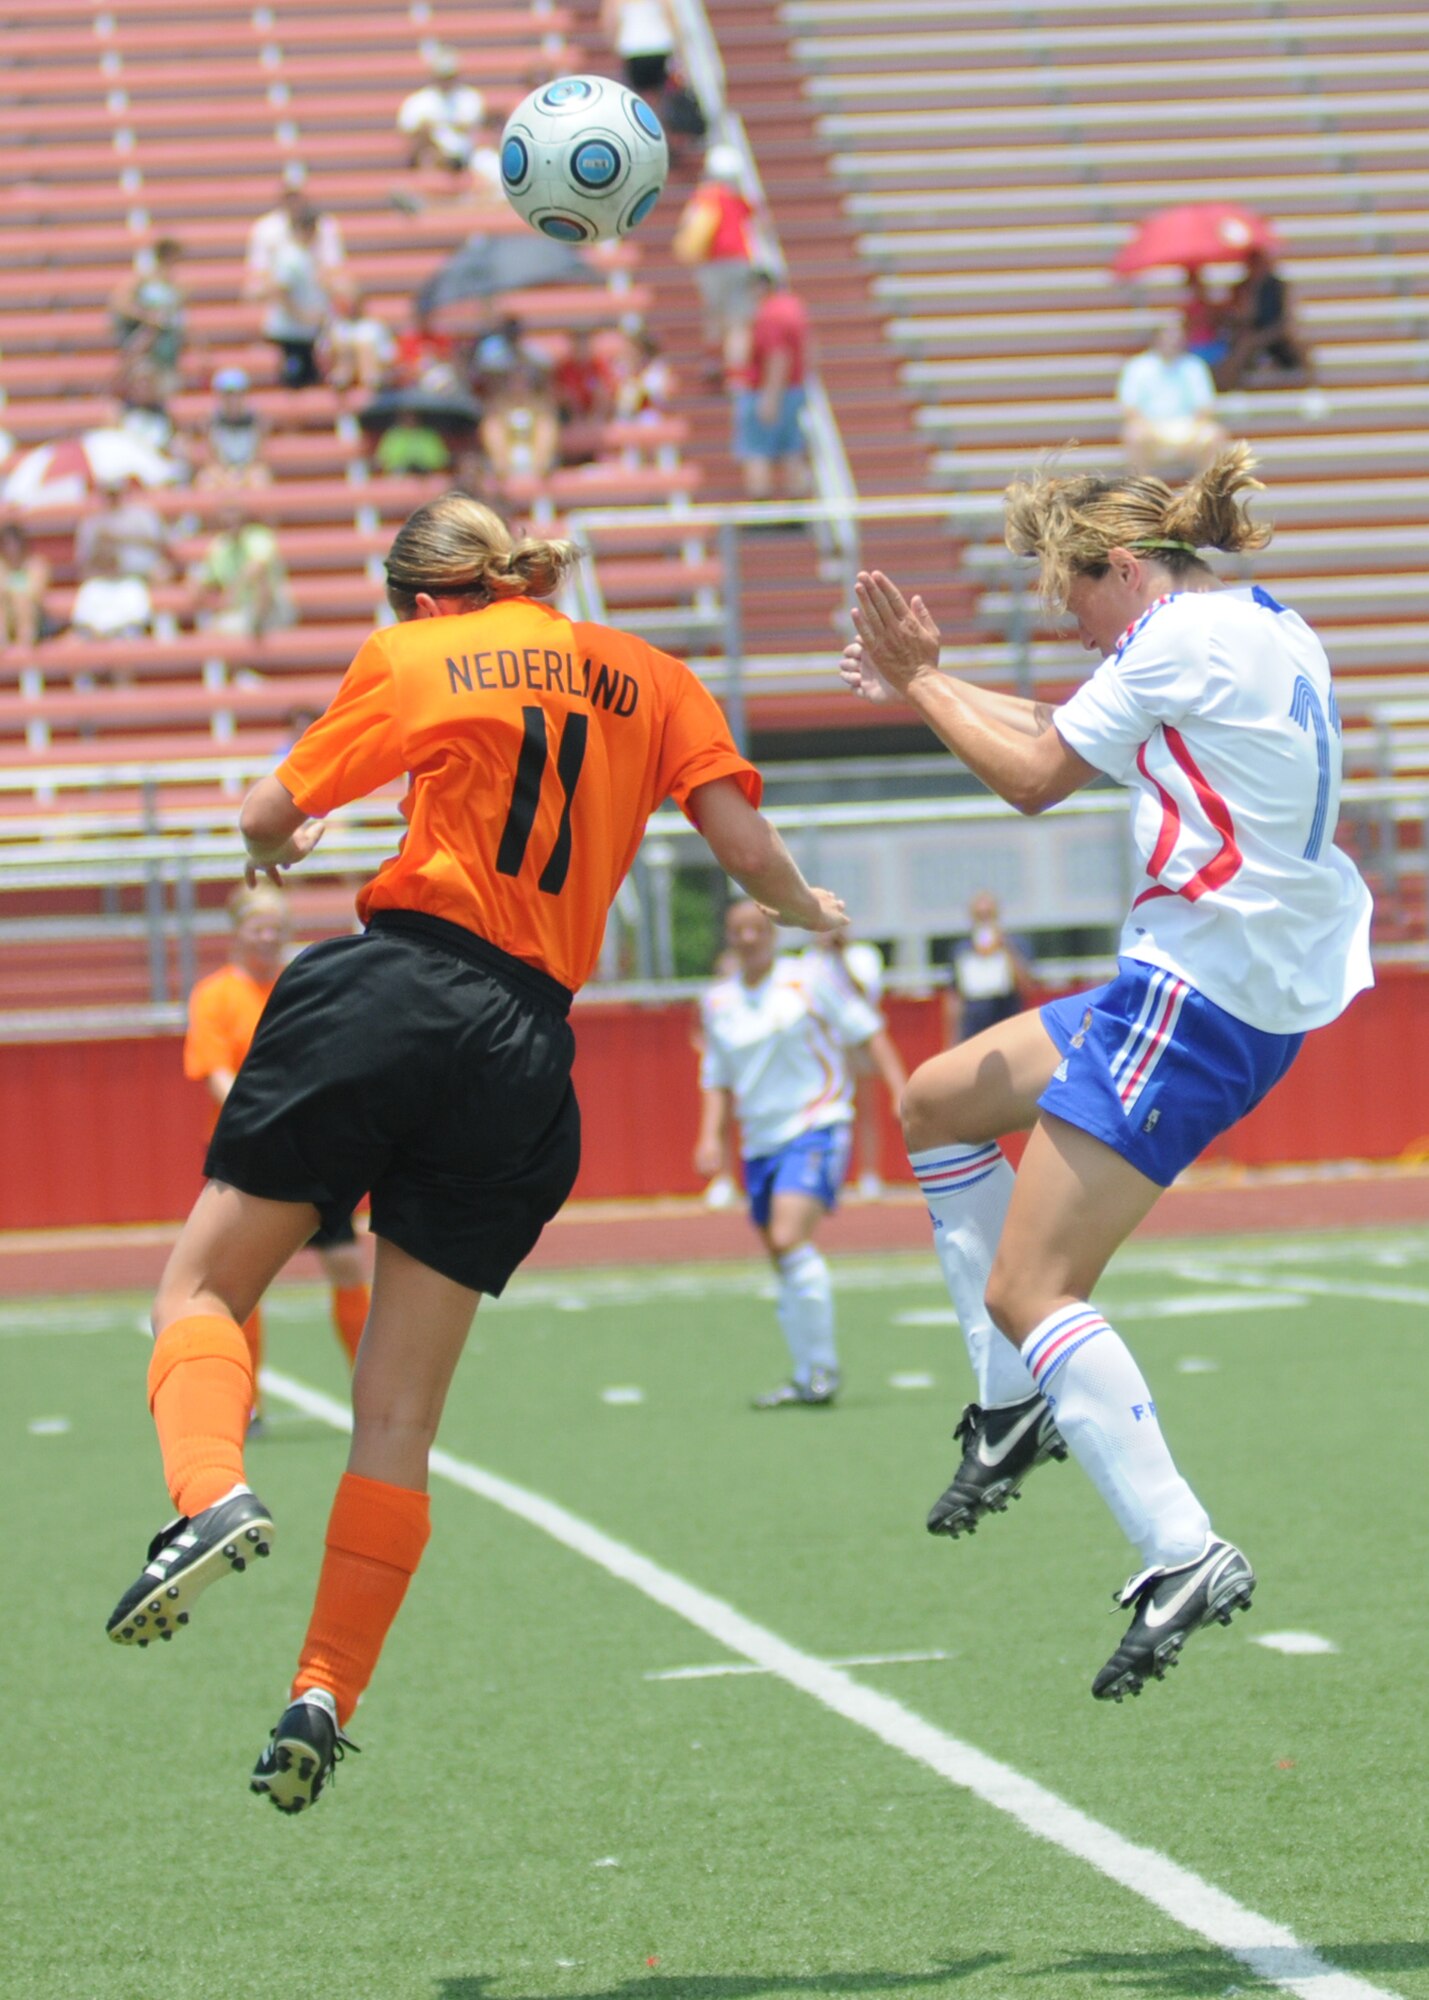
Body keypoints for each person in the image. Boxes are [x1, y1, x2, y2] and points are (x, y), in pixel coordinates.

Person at [105, 490, 846, 1816]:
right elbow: (743, 850)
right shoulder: (654, 675)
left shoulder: (413, 657)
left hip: (397, 987)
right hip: (526, 1054)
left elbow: (264, 818)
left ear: (424, 599)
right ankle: (325, 1688)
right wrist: (811, 904)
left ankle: (207, 1492)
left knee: (201, 1292)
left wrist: (291, 835)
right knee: (398, 1417)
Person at [840, 443, 1372, 1703]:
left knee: (1033, 1284)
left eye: (1068, 598)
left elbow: (1031, 775)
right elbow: (1064, 730)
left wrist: (922, 683)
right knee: (936, 1100)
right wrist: (931, 682)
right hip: (1217, 980)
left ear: (1123, 567)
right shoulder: (1250, 623)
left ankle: (1178, 1546)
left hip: (1196, 991)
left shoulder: (1177, 640)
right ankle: (1012, 1403)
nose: (1062, 625)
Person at [695, 900, 904, 1406]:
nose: (748, 937)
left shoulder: (809, 979)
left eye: (755, 927)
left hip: (816, 1123)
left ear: (772, 931)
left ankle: (822, 1373)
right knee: (779, 1254)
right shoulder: (717, 1001)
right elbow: (717, 1077)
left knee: (789, 1236)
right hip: (759, 1140)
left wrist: (902, 1090)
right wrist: (708, 1137)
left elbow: (868, 1029)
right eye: (737, 929)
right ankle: (808, 1372)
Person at [184, 881, 371, 1424]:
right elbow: (215, 1072)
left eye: (276, 927)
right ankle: (247, 1401)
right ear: (237, 932)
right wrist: (263, 1120)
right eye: (256, 927)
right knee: (239, 1278)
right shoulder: (215, 995)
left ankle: (369, 1390)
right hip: (247, 1148)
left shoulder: (304, 984)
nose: (267, 937)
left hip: (311, 1147)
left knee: (343, 1262)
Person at [805, 924, 906, 1197]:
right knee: (829, 1110)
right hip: (828, 1044)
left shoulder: (863, 956)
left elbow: (864, 995)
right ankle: (829, 1176)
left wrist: (841, 957)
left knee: (867, 1108)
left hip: (859, 1039)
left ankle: (869, 1174)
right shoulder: (808, 961)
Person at [672, 145, 757, 383]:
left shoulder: (706, 196)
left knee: (714, 313)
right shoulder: (737, 197)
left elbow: (689, 224)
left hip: (712, 263)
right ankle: (735, 371)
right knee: (738, 319)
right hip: (739, 261)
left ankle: (713, 360)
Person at [734, 268, 811, 503]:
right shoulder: (794, 308)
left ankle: (762, 508)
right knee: (790, 449)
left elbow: (777, 357)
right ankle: (797, 507)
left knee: (756, 451)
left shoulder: (769, 316)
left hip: (767, 390)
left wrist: (769, 398)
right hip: (793, 389)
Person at [1116, 318, 1225, 480]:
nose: (1172, 342)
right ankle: (1140, 489)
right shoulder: (1137, 367)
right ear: (1156, 339)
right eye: (1168, 337)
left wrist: (1193, 429)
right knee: (1134, 435)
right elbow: (1130, 407)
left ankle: (1203, 493)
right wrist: (1149, 428)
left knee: (1213, 435)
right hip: (1150, 427)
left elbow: (1205, 406)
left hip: (1188, 427)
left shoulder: (1194, 366)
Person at [943, 891, 1033, 1046]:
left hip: (1006, 1021)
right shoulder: (962, 950)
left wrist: (1005, 948)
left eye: (988, 914)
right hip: (972, 1028)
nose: (984, 919)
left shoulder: (1015, 945)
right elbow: (954, 997)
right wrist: (951, 1041)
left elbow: (1026, 987)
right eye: (980, 915)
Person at [257, 206, 332, 390]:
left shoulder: (303, 255)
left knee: (310, 381)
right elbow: (280, 291)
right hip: (291, 333)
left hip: (302, 332)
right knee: (295, 384)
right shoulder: (291, 257)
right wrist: (301, 316)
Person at [1216, 247, 1311, 390]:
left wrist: (1262, 337)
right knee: (1242, 346)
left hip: (1276, 335)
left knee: (1300, 344)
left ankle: (1311, 385)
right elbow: (1238, 319)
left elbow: (1287, 320)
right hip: (1250, 335)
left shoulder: (1280, 287)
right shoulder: (1241, 288)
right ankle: (1226, 387)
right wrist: (1251, 294)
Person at [194, 509, 295, 638]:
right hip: (244, 610)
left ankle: (258, 622)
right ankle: (253, 626)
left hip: (275, 608)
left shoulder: (258, 538)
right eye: (227, 523)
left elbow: (258, 567)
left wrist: (235, 588)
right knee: (210, 634)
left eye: (236, 522)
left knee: (261, 578)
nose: (232, 526)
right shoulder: (220, 547)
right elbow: (203, 577)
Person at [109, 239, 186, 395]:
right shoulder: (142, 280)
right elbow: (120, 303)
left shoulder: (174, 286)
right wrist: (148, 316)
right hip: (146, 352)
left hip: (166, 352)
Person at [397, 48, 485, 172]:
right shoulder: (419, 101)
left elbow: (467, 125)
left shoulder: (469, 98)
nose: (446, 81)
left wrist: (436, 124)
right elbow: (410, 129)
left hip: (463, 158)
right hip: (430, 155)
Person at [197, 368, 271, 491]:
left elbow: (259, 457)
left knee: (260, 479)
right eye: (228, 395)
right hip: (221, 471)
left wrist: (242, 475)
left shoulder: (258, 423)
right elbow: (211, 458)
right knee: (206, 480)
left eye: (237, 395)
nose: (232, 401)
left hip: (249, 470)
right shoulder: (209, 423)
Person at [601, 0, 677, 99]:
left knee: (638, 94)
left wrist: (614, 45)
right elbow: (670, 16)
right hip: (658, 45)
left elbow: (610, 21)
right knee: (660, 94)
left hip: (633, 47)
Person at [0, 521, 51, 647]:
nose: (11, 548)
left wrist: (12, 592)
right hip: (7, 614)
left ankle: (25, 649)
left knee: (22, 601)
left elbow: (36, 591)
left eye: (15, 543)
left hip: (32, 614)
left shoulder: (36, 564)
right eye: (7, 544)